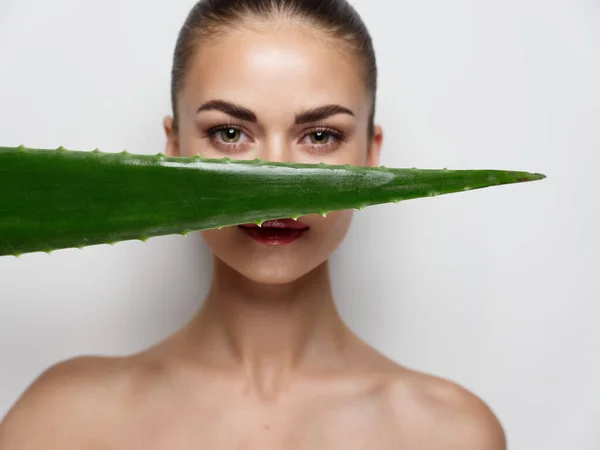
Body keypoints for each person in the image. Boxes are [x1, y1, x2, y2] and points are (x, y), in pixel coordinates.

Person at [0, 0, 506, 448]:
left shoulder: (450, 433)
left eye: (322, 136)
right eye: (229, 132)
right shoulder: (60, 420)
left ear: (372, 157)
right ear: (173, 149)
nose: (276, 180)